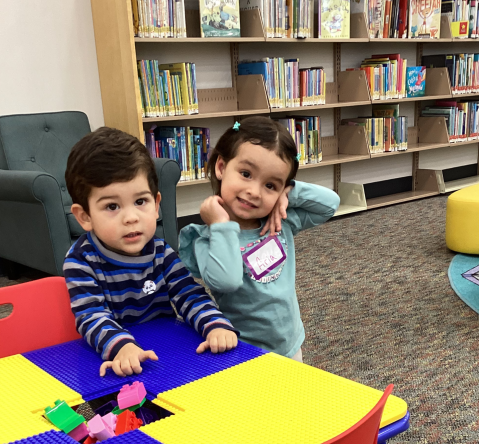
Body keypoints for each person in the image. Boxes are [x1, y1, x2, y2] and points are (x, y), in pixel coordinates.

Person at [63, 126, 238, 377]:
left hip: (162, 354)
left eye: (140, 202)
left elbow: (189, 295)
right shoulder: (81, 260)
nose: (131, 217)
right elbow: (90, 316)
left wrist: (215, 325)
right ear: (85, 216)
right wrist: (122, 347)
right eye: (112, 206)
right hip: (113, 361)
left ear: (156, 205)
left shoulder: (160, 251)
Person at [179, 117, 340, 362]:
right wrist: (221, 226)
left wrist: (289, 193)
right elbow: (227, 282)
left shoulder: (279, 222)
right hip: (243, 350)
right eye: (245, 174)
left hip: (289, 343)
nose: (254, 192)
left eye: (270, 185)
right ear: (221, 167)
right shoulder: (205, 239)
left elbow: (330, 205)